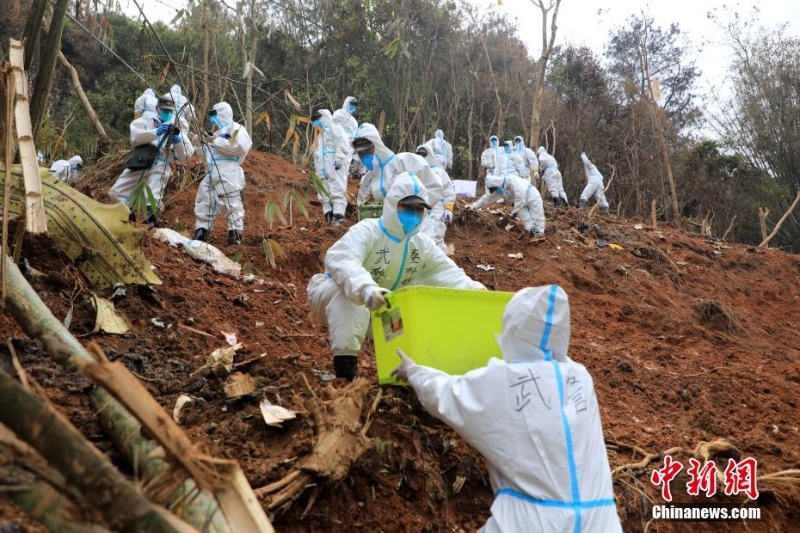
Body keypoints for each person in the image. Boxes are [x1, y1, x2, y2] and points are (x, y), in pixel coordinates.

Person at [391, 285, 622, 532]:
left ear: (513, 329)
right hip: (601, 521)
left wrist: (415, 372)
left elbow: (449, 394)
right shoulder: (580, 377)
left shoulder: (505, 379)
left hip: (533, 522)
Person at [307, 172, 485, 380]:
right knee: (351, 302)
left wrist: (477, 292)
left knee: (411, 321)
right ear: (392, 204)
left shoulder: (421, 244)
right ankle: (345, 374)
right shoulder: (368, 230)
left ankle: (398, 378)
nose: (414, 214)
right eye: (407, 207)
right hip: (334, 296)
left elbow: (447, 273)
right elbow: (341, 259)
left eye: (419, 209)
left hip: (382, 306)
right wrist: (365, 288)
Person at [352, 123, 447, 248]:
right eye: (361, 154)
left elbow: (434, 187)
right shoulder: (367, 180)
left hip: (418, 228)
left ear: (377, 145)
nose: (364, 156)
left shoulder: (406, 161)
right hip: (387, 237)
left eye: (368, 150)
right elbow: (362, 208)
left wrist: (412, 209)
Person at [109, 94, 194, 227]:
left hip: (161, 164)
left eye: (170, 111)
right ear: (157, 108)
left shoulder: (177, 127)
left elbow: (184, 158)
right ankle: (127, 217)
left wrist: (178, 142)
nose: (167, 113)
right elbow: (135, 139)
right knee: (116, 192)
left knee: (152, 197)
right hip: (141, 160)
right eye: (164, 110)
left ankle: (151, 227)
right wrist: (156, 132)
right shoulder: (146, 120)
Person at [192, 102, 252, 245]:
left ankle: (235, 235)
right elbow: (207, 157)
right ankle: (201, 232)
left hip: (228, 170)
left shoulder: (237, 128)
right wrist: (200, 145)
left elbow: (241, 147)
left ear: (223, 113)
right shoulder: (217, 133)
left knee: (231, 203)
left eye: (214, 114)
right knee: (204, 201)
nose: (212, 119)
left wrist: (216, 140)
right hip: (211, 171)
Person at [466, 173, 545, 237]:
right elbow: (486, 199)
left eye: (493, 189)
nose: (494, 191)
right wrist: (473, 206)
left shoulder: (511, 180)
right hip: (520, 204)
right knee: (527, 221)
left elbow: (520, 196)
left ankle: (540, 236)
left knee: (538, 218)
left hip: (531, 196)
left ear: (496, 184)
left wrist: (515, 212)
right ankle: (532, 232)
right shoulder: (499, 190)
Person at [311, 109, 350, 225]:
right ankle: (328, 215)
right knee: (323, 193)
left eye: (318, 118)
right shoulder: (319, 137)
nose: (316, 122)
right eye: (315, 119)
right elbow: (316, 155)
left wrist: (339, 157)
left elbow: (342, 143)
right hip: (322, 171)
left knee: (337, 189)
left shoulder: (335, 129)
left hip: (334, 166)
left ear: (324, 118)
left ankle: (339, 216)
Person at [416, 142, 456, 251]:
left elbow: (448, 191)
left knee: (437, 236)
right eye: (419, 154)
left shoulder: (439, 171)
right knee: (421, 236)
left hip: (437, 207)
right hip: (420, 207)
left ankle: (440, 262)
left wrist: (448, 208)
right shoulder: (415, 172)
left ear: (430, 154)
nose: (421, 157)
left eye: (424, 154)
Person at [332, 96, 359, 173]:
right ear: (347, 103)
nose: (353, 106)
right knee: (334, 170)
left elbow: (355, 135)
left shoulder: (354, 121)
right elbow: (335, 129)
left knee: (344, 171)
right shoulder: (339, 113)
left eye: (355, 105)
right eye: (352, 104)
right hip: (338, 147)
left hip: (349, 149)